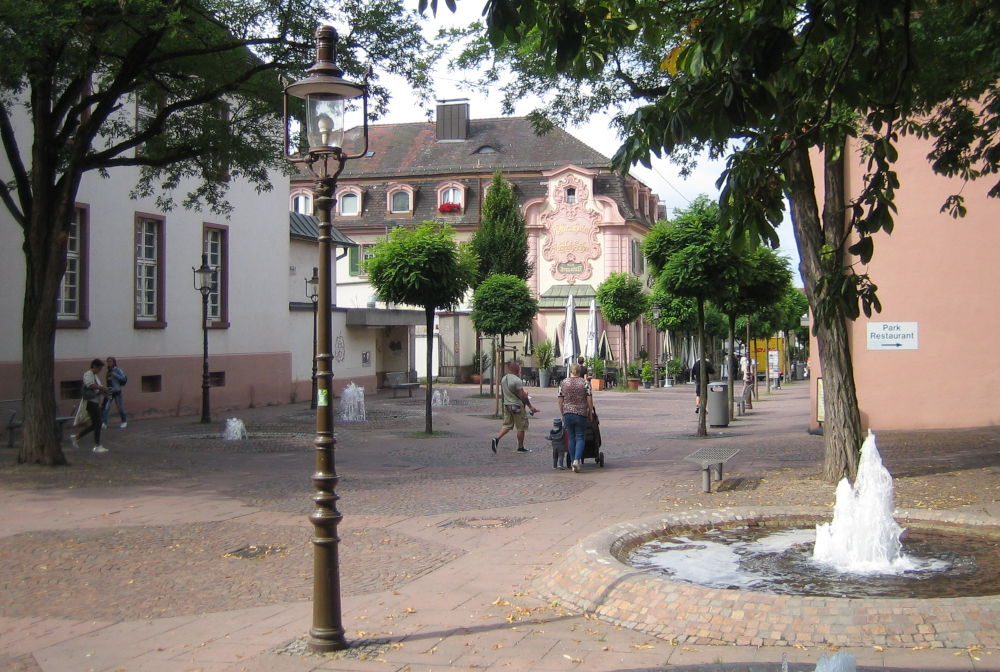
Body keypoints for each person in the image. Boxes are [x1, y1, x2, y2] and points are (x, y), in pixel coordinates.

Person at [491, 360, 538, 454]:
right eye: (519, 367)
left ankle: (496, 439)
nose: (520, 369)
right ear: (515, 369)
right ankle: (520, 447)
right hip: (517, 406)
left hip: (507, 405)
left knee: (507, 425)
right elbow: (522, 396)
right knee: (521, 427)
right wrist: (530, 406)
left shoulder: (504, 379)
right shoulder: (517, 380)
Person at [558, 363, 595, 473]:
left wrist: (562, 412)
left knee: (571, 437)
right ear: (580, 372)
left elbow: (560, 399)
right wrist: (590, 411)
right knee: (580, 437)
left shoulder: (563, 383)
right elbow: (589, 399)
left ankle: (574, 459)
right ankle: (576, 460)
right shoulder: (585, 383)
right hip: (581, 413)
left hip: (567, 413)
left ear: (571, 371)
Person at [72, 358, 108, 453]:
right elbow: (90, 385)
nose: (100, 371)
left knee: (96, 424)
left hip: (94, 401)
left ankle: (77, 436)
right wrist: (101, 388)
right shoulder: (89, 374)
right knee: (98, 423)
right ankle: (97, 445)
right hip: (90, 401)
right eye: (99, 368)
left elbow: (96, 389)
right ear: (95, 366)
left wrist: (103, 391)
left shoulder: (95, 376)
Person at [101, 356, 128, 429]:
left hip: (117, 391)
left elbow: (123, 378)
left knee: (120, 407)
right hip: (109, 391)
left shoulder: (117, 370)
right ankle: (104, 423)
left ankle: (124, 421)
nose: (109, 363)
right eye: (108, 361)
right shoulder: (108, 371)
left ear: (114, 362)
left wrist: (115, 375)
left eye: (110, 361)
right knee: (106, 407)